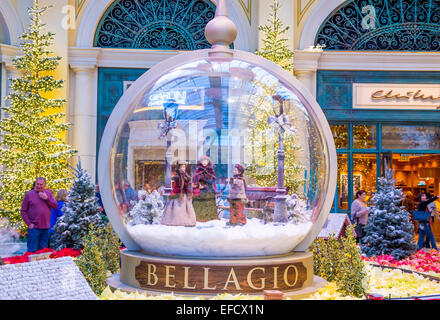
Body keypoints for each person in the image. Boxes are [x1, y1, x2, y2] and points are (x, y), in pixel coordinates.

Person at [21, 177, 58, 252]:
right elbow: (23, 211)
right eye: (37, 184)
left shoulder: (48, 193)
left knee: (43, 251)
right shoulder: (29, 194)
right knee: (32, 250)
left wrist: (47, 199)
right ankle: (31, 264)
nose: (39, 186)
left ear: (45, 185)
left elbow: (55, 206)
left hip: (46, 228)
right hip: (34, 227)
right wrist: (29, 223)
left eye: (41, 184)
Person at [161, 161, 196, 227]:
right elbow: (177, 185)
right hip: (177, 193)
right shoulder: (177, 175)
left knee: (186, 208)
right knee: (176, 207)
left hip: (184, 193)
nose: (183, 168)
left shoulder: (186, 175)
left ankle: (185, 221)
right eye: (182, 167)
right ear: (179, 167)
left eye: (184, 167)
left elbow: (187, 184)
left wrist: (189, 186)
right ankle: (174, 221)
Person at [192, 156, 218, 222]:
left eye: (206, 161)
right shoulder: (198, 171)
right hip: (200, 190)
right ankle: (199, 217)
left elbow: (212, 181)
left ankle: (209, 218)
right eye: (203, 161)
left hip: (209, 190)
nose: (204, 162)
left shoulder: (210, 171)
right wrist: (198, 185)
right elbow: (195, 181)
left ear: (208, 162)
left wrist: (206, 185)